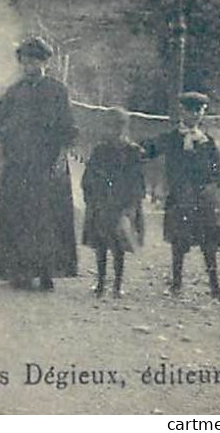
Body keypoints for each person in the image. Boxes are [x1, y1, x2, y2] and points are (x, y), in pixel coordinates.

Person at [0, 35, 78, 290]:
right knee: (18, 217)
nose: (32, 67)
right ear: (21, 64)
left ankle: (47, 271)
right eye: (27, 62)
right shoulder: (13, 93)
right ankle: (19, 271)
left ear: (46, 63)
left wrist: (61, 159)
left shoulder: (58, 91)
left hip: (47, 165)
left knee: (47, 218)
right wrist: (1, 159)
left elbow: (68, 130)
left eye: (37, 62)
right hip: (18, 166)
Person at [140, 92, 220, 301]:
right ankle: (177, 283)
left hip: (203, 197)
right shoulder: (172, 138)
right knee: (179, 240)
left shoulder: (207, 141)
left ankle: (215, 286)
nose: (195, 115)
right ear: (183, 111)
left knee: (209, 242)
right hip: (180, 196)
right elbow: (149, 149)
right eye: (191, 110)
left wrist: (212, 184)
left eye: (200, 111)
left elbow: (219, 170)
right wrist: (135, 149)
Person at [80, 107, 146, 299]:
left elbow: (137, 180)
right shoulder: (100, 150)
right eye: (110, 126)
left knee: (118, 245)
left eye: (119, 126)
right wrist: (90, 194)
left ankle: (117, 284)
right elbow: (89, 174)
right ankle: (100, 282)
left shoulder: (132, 151)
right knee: (100, 243)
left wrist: (132, 204)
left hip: (121, 202)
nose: (115, 130)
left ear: (125, 128)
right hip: (102, 201)